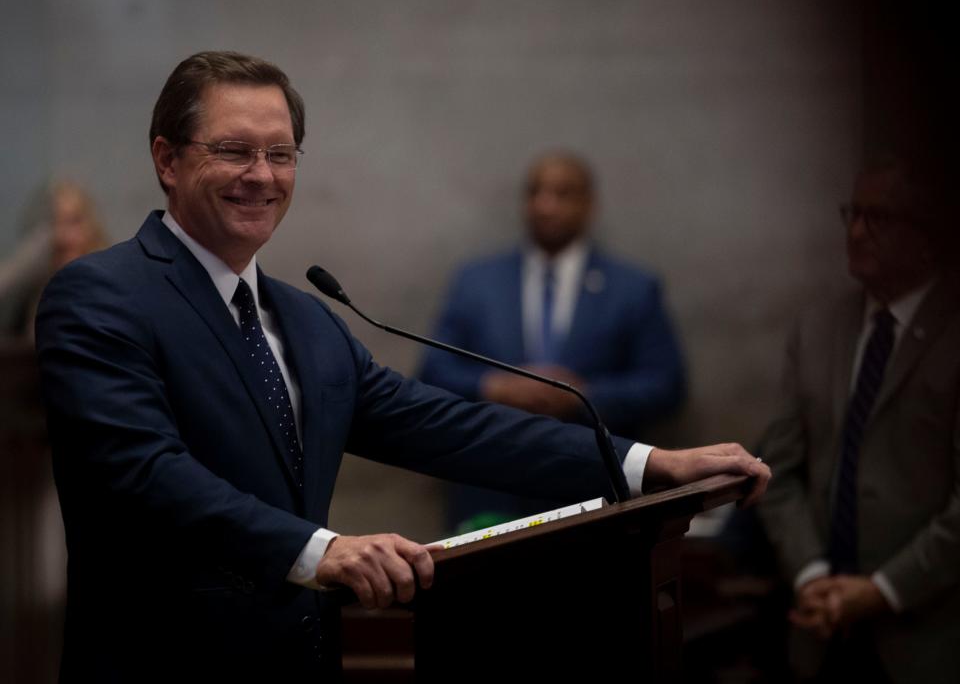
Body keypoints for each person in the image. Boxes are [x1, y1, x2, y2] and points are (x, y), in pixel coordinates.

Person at [35, 51, 769, 681]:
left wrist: (645, 465)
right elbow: (142, 472)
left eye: (281, 154)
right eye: (233, 150)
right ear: (167, 158)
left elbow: (452, 427)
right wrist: (320, 551)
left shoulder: (306, 317)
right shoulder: (101, 294)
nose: (261, 175)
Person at [756, 156, 960, 683]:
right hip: (819, 628)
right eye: (852, 213)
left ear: (928, 231)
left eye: (879, 217)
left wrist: (882, 590)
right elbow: (777, 470)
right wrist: (813, 575)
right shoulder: (818, 328)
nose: (856, 231)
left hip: (927, 633)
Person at [418, 151, 685, 528]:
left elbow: (666, 384)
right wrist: (496, 386)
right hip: (489, 486)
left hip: (593, 488)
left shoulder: (633, 288)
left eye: (563, 193)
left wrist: (583, 396)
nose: (545, 206)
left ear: (589, 204)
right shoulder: (477, 281)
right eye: (535, 192)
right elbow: (432, 370)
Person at [0, 180, 107, 339]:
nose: (63, 236)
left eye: (74, 221)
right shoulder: (38, 290)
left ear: (91, 226)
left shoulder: (108, 286)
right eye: (55, 223)